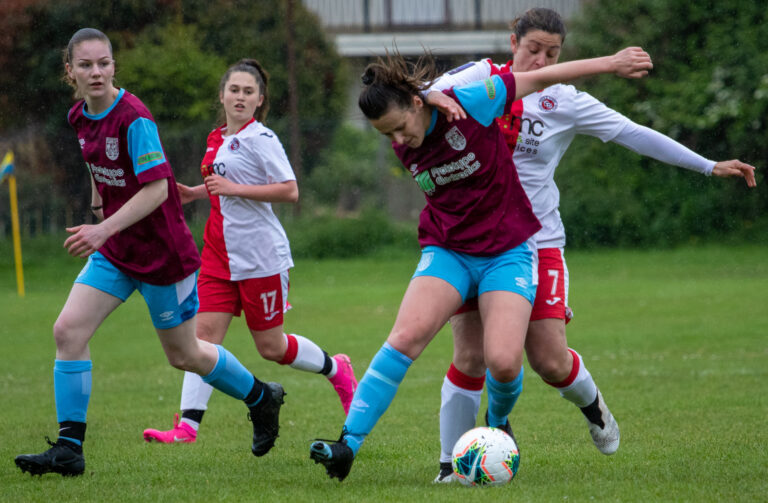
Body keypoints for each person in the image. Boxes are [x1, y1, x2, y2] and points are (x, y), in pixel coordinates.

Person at [423, 7, 757, 483]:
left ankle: (594, 407)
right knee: (471, 356)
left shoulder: (565, 101)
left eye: (552, 53)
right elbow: (418, 96)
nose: (540, 61)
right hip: (474, 242)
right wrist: (434, 98)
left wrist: (708, 165)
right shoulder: (479, 82)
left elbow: (634, 135)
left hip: (539, 244)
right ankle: (449, 468)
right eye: (533, 49)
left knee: (549, 360)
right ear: (511, 41)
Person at [308, 45, 653, 482]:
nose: (397, 141)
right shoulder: (412, 123)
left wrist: (611, 64)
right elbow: (419, 100)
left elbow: (540, 79)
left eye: (398, 129)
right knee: (407, 337)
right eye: (386, 136)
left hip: (508, 251)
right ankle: (350, 444)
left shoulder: (472, 102)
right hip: (448, 250)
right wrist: (429, 98)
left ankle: (499, 423)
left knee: (504, 363)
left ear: (417, 104)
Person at [14, 28, 287, 478]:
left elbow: (158, 189)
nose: (96, 72)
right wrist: (100, 204)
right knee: (68, 331)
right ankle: (69, 449)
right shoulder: (79, 116)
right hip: (118, 251)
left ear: (114, 65)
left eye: (103, 62)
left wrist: (102, 228)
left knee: (186, 355)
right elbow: (95, 164)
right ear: (70, 72)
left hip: (163, 258)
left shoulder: (134, 118)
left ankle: (261, 396)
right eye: (86, 65)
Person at [142, 59, 358, 444]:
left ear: (259, 100)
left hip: (260, 258)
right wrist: (195, 193)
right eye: (234, 90)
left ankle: (336, 368)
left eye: (248, 91)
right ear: (221, 95)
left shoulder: (263, 139)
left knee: (272, 348)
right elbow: (222, 185)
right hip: (216, 257)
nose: (240, 97)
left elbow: (289, 190)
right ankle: (187, 428)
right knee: (201, 341)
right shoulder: (216, 138)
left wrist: (233, 188)